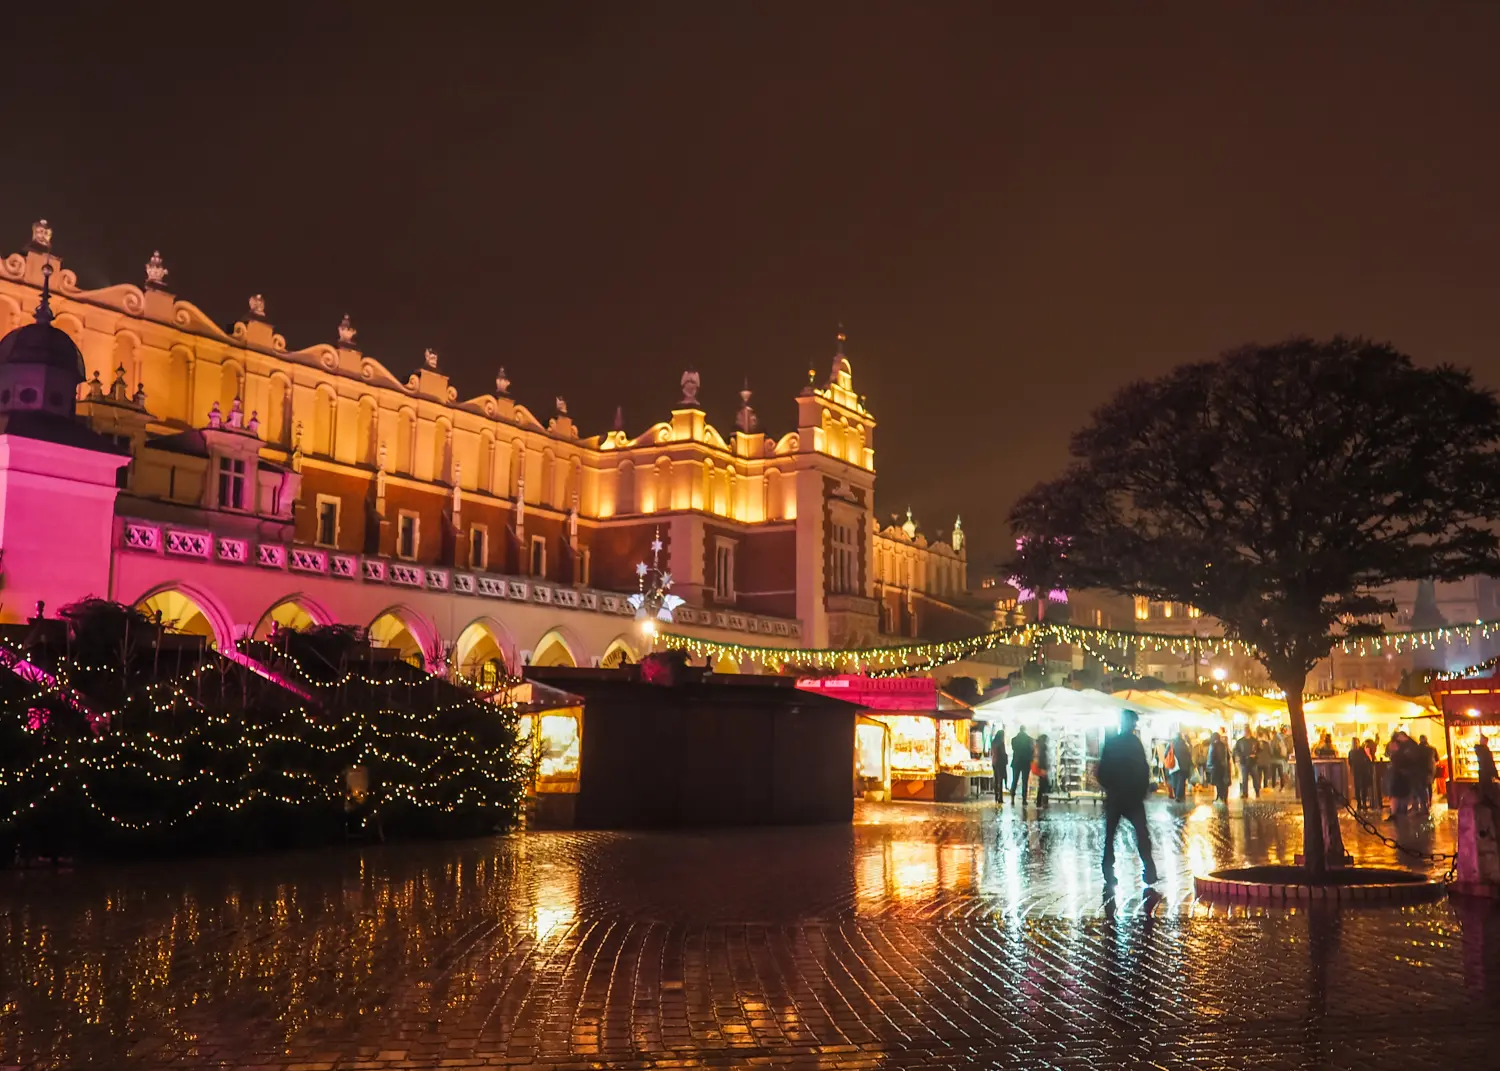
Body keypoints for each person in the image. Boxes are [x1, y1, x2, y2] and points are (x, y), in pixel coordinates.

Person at [1097, 710, 1160, 887]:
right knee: (1141, 833)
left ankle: (1108, 872)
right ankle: (1149, 870)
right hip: (1133, 797)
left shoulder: (1111, 743)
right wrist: (1140, 790)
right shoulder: (1135, 744)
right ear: (1132, 725)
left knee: (1110, 836)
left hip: (1115, 796)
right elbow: (1143, 769)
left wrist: (1111, 787)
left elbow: (1102, 772)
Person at [1233, 729, 1260, 799]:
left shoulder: (1254, 741)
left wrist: (1255, 755)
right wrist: (1241, 756)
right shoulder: (1240, 741)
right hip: (1244, 762)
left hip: (1253, 762)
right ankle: (1245, 793)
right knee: (1244, 778)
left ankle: (1257, 791)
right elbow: (1236, 750)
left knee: (1255, 778)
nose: (1245, 733)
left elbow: (1259, 749)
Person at [1010, 726, 1034, 804]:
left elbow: (1014, 748)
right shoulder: (1030, 739)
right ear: (1025, 730)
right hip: (1026, 763)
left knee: (1014, 780)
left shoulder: (1014, 739)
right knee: (1025, 781)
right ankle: (1024, 799)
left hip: (1016, 762)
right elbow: (1032, 750)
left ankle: (1012, 798)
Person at [1348, 735, 1373, 810]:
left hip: (1356, 771)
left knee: (1357, 788)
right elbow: (1368, 759)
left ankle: (1359, 804)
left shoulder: (1351, 752)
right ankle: (1364, 803)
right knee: (1363, 787)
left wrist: (1352, 769)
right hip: (1363, 770)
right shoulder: (1361, 750)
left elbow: (1350, 762)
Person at [1417, 735, 1439, 813]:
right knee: (1429, 786)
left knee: (1422, 787)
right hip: (1430, 769)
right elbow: (1437, 759)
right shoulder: (1432, 749)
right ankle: (1429, 801)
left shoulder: (1417, 749)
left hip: (1420, 770)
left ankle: (1424, 804)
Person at [1207, 731, 1231, 803]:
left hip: (1216, 767)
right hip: (1225, 767)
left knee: (1218, 783)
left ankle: (1219, 797)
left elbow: (1211, 757)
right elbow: (1228, 756)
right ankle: (1224, 798)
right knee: (1224, 783)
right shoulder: (1224, 746)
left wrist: (1209, 765)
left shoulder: (1213, 745)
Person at [1168, 731, 1191, 801]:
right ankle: (1179, 796)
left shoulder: (1171, 743)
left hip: (1174, 765)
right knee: (1181, 781)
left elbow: (1166, 753)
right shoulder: (1185, 744)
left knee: (1175, 781)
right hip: (1183, 766)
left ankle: (1177, 795)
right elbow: (1189, 755)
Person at [1255, 729, 1277, 794]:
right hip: (1266, 762)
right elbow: (1271, 752)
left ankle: (1258, 787)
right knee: (1266, 775)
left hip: (1258, 762)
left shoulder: (1256, 743)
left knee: (1259, 775)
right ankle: (1265, 787)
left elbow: (1254, 752)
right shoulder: (1267, 744)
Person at [990, 728, 1008, 804]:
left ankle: (996, 796)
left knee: (996, 779)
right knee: (1000, 781)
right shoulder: (1001, 743)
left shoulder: (993, 742)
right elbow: (1003, 754)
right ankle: (1000, 798)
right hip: (1000, 763)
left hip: (994, 762)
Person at [1034, 733, 1051, 806]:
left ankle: (1040, 802)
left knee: (1043, 785)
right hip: (1042, 769)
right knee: (1042, 786)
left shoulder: (1039, 746)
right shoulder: (1042, 747)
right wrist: (1043, 769)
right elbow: (1042, 759)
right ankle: (1040, 802)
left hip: (1042, 768)